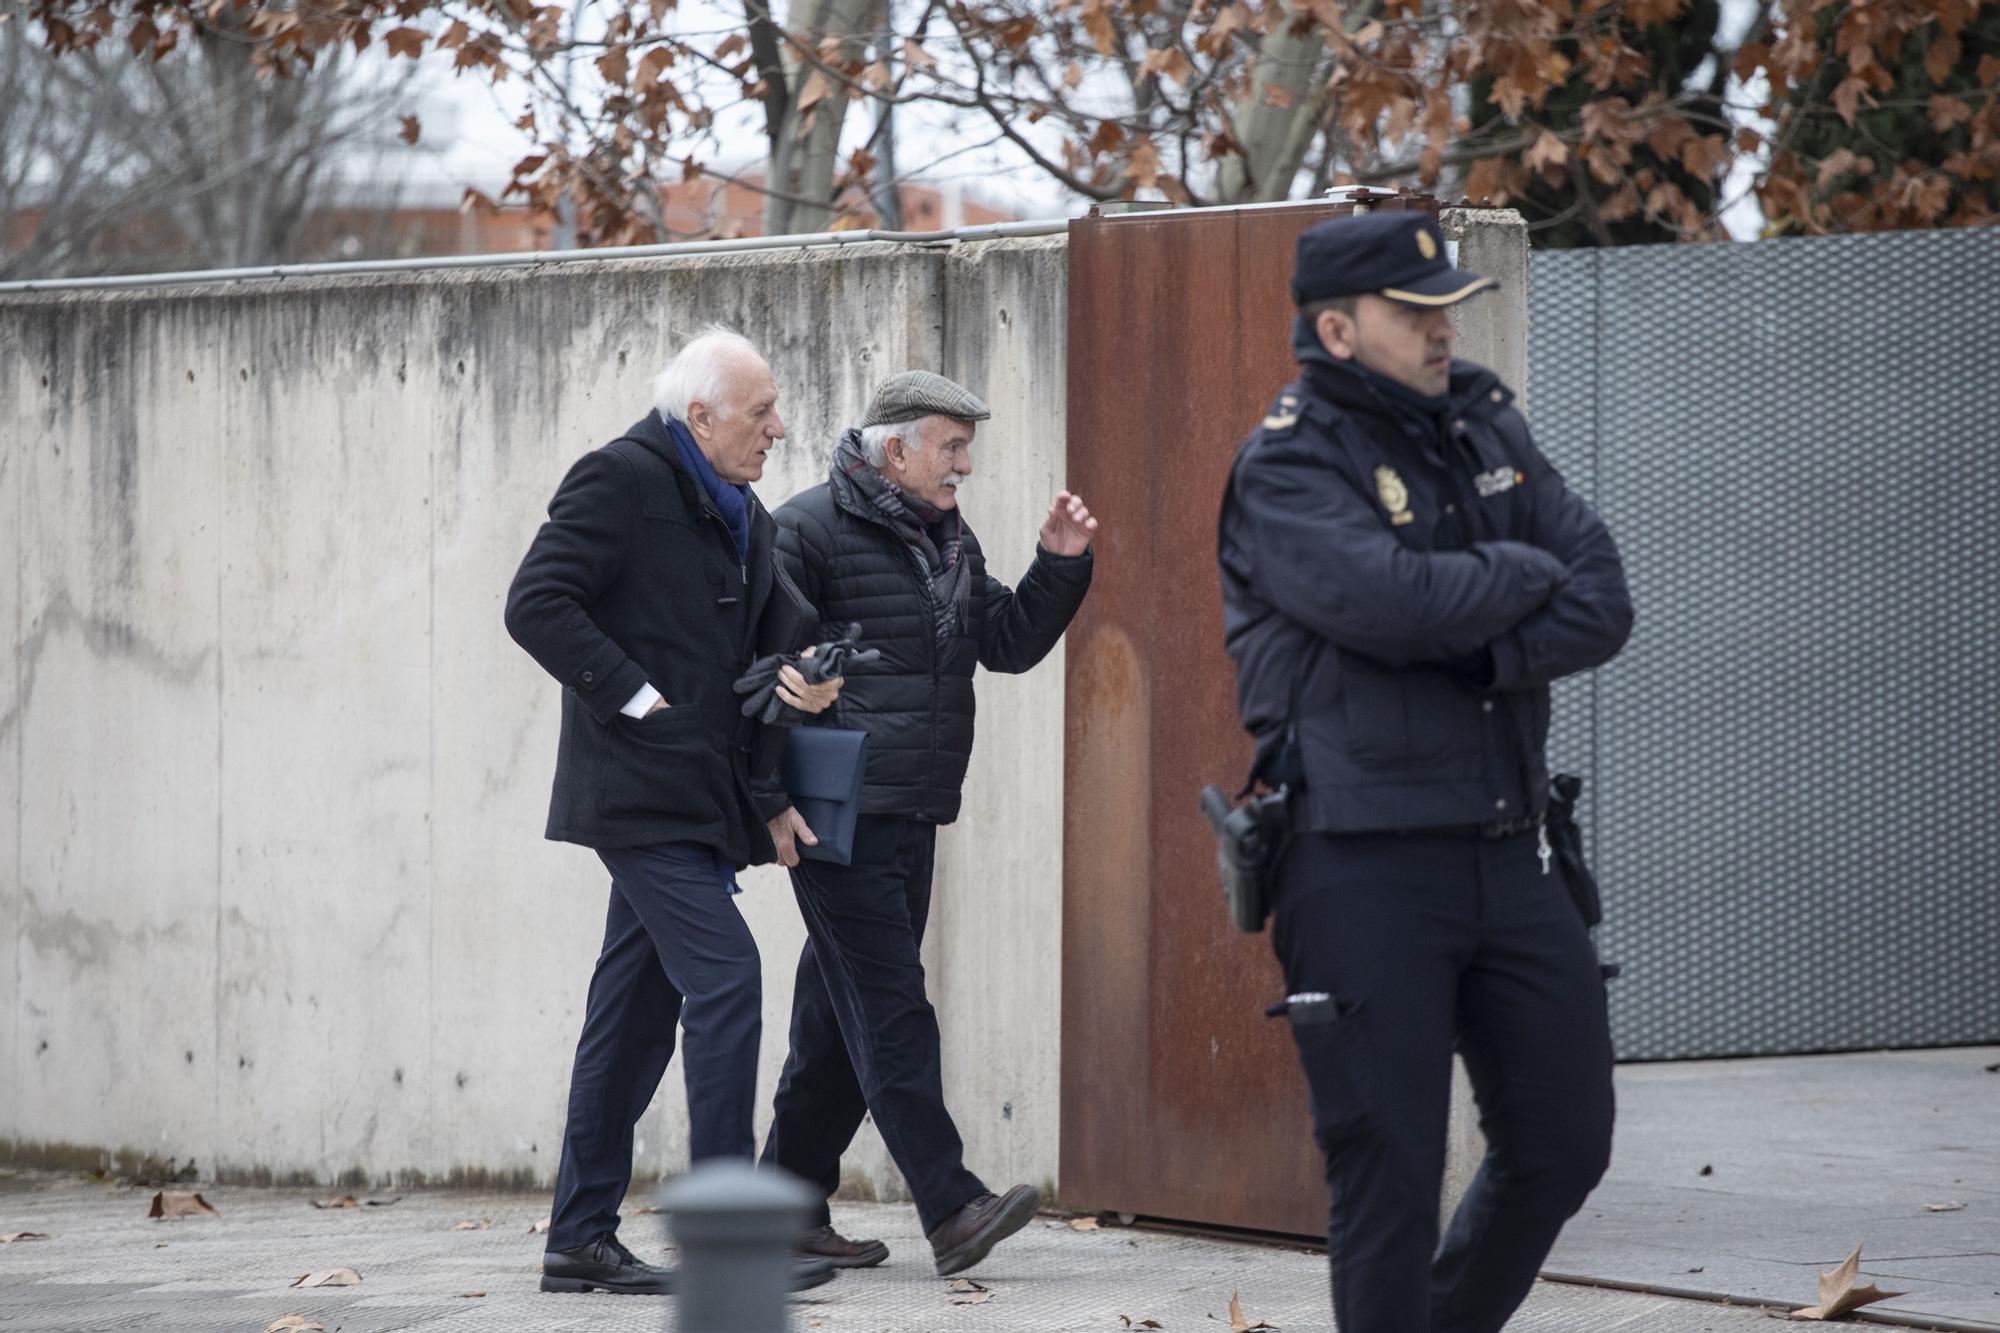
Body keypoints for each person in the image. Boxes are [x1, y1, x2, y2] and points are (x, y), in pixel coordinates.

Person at [1217, 211, 1634, 1332]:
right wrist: (1515, 570)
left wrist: (1479, 642)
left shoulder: (1483, 422)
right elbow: (1387, 601)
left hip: (1509, 846)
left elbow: (1601, 597)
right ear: (1339, 331)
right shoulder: (1287, 461)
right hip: (1358, 863)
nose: (1443, 329)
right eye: (1415, 314)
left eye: (1448, 307)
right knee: (1388, 1173)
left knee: (1561, 1143)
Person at [504, 327, 841, 1296]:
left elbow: (765, 658)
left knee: (633, 1014)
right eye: (759, 411)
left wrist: (796, 709)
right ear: (699, 417)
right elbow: (536, 601)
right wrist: (634, 693)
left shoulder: (744, 513)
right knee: (727, 976)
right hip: (636, 789)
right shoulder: (620, 480)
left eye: (774, 409)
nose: (778, 427)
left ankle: (578, 1237)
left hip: (702, 799)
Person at [756, 370, 1097, 1276]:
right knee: (894, 1009)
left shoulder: (949, 541)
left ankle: (781, 1207)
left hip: (914, 807)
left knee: (839, 1018)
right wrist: (770, 801)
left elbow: (1008, 642)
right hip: (837, 815)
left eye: (965, 446)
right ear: (895, 447)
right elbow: (765, 681)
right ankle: (951, 1206)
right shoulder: (805, 531)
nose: (966, 464)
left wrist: (1059, 564)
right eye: (951, 445)